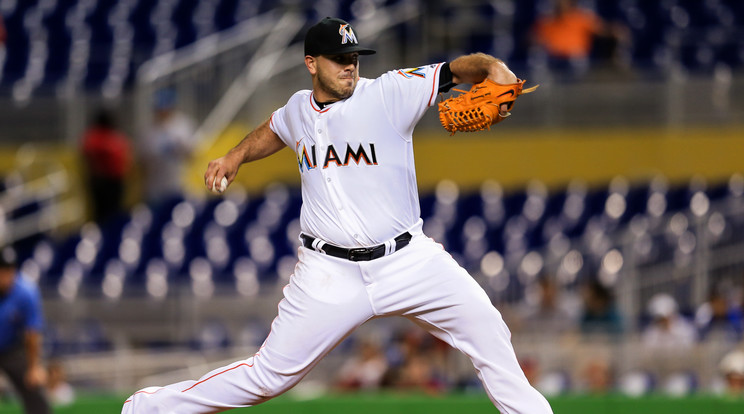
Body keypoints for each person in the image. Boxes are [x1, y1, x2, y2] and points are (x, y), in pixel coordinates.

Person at [122, 17, 553, 414]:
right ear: (311, 63)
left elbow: (457, 70)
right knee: (268, 376)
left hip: (408, 259)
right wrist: (235, 156)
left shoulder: (389, 93)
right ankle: (148, 408)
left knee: (488, 330)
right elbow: (274, 128)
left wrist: (494, 67)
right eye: (340, 59)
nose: (350, 66)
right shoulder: (297, 109)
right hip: (328, 272)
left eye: (354, 58)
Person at [0, 248, 50, 414]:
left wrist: (34, 367)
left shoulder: (26, 292)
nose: (5, 275)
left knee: (34, 389)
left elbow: (32, 333)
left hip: (13, 348)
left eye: (9, 270)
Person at [531, 0, 628, 76]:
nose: (560, 3)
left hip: (576, 60)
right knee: (539, 62)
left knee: (577, 62)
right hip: (553, 60)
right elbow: (532, 38)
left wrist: (617, 30)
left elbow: (604, 30)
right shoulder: (547, 21)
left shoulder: (582, 18)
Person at [141, 88, 197, 204]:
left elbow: (193, 153)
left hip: (179, 184)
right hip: (156, 187)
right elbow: (143, 159)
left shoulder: (182, 125)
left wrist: (178, 148)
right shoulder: (149, 130)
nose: (162, 111)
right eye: (159, 108)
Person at [81, 108, 132, 224]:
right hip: (100, 181)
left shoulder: (115, 137)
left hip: (115, 181)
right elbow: (88, 153)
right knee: (101, 214)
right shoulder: (95, 137)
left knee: (114, 213)